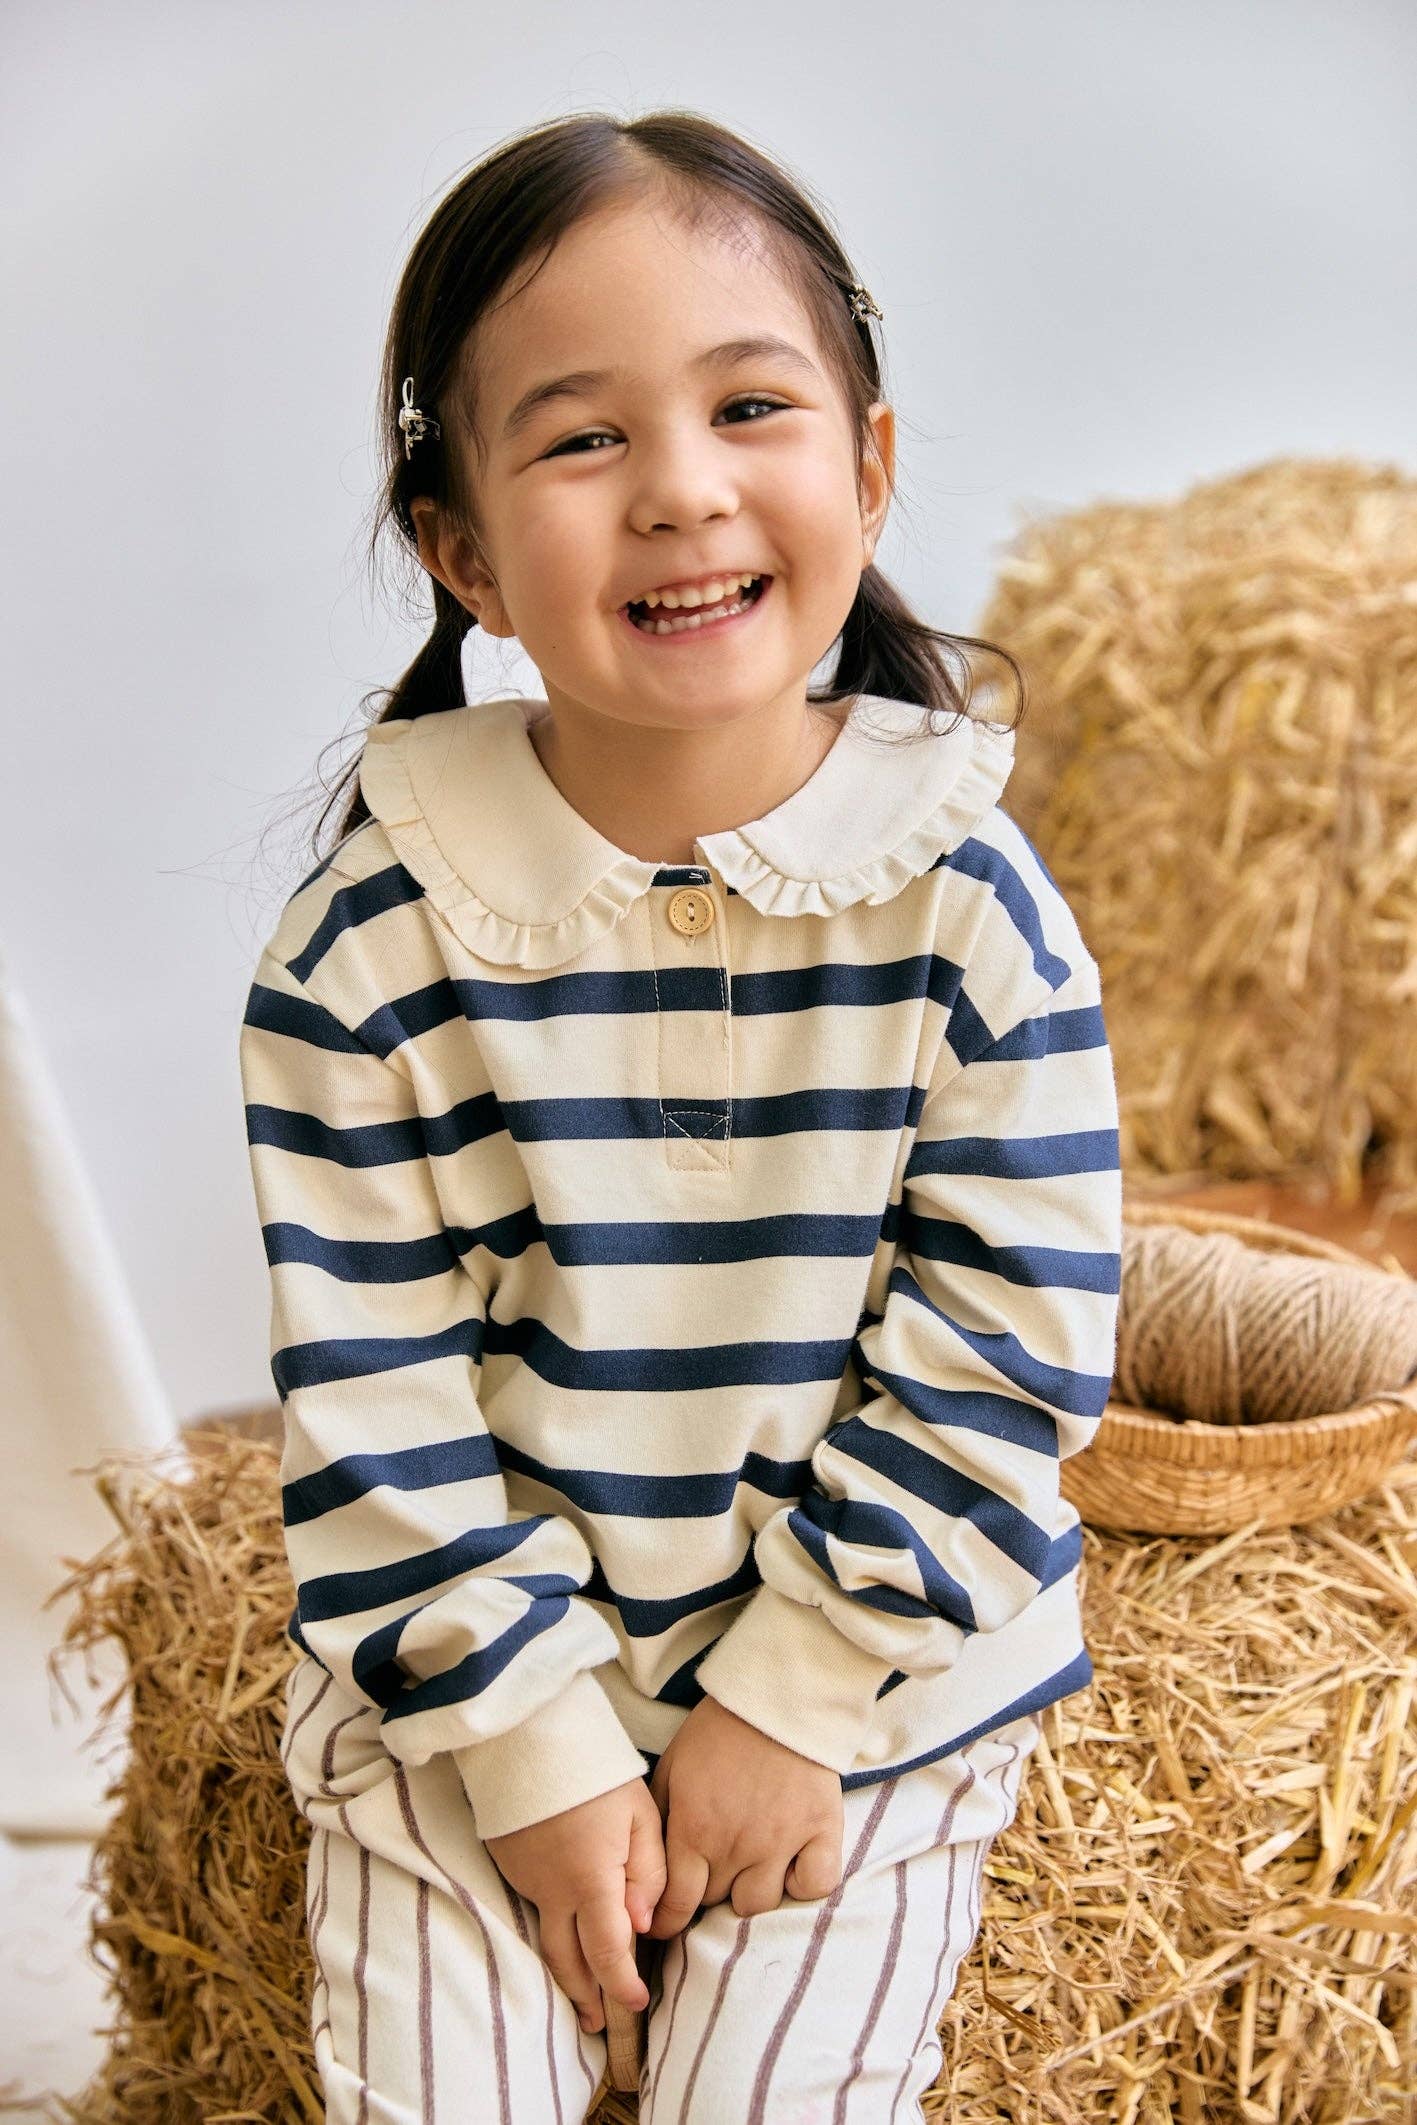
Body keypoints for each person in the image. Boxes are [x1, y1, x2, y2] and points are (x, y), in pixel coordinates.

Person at [238, 106, 1122, 2124]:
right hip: (475, 1711)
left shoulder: (970, 902)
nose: (681, 491)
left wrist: (785, 1707)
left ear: (869, 466)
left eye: (748, 406)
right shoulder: (368, 942)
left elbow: (1011, 1344)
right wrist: (537, 1763)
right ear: (460, 545)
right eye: (580, 437)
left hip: (867, 1690)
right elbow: (377, 1403)